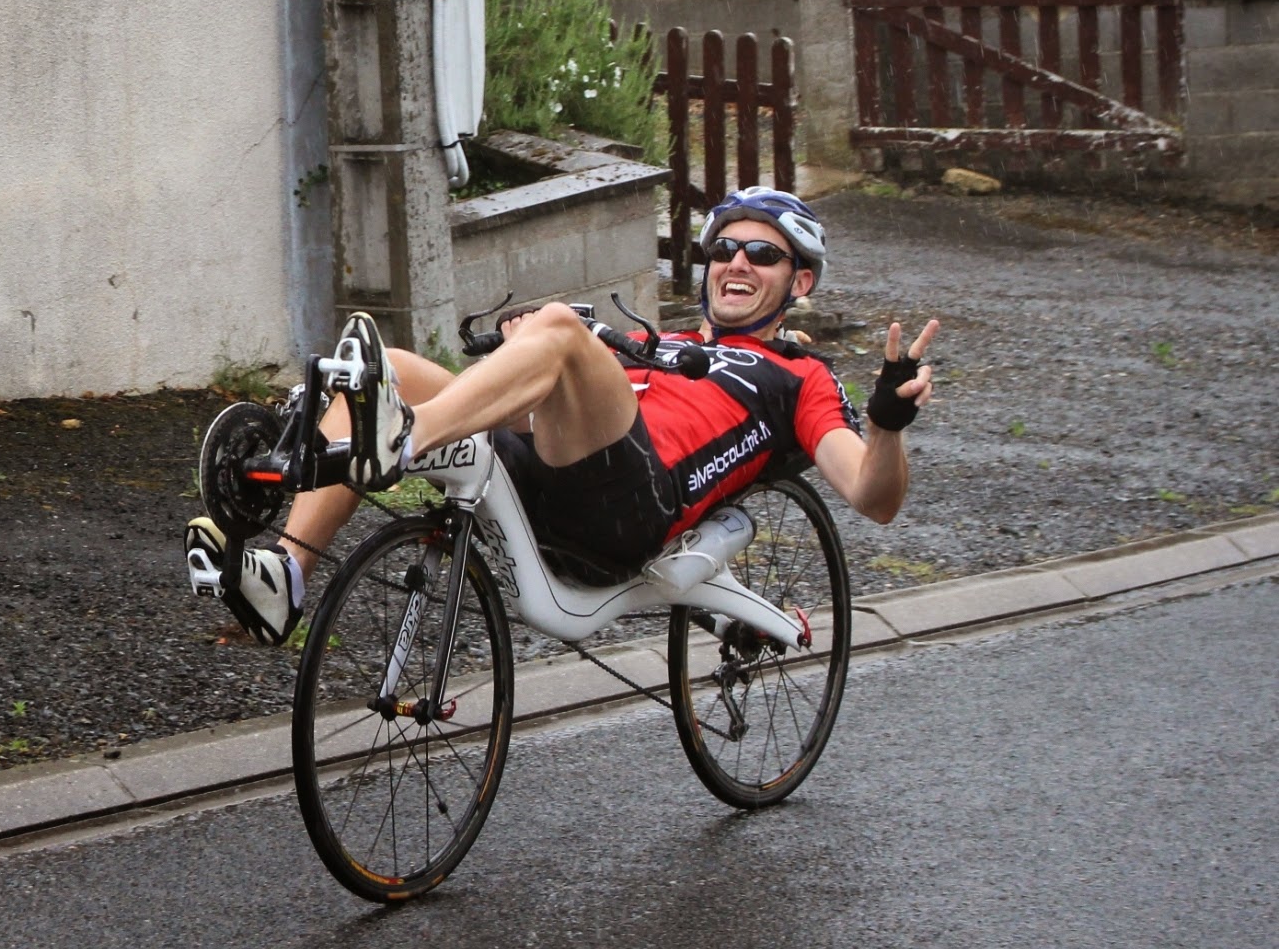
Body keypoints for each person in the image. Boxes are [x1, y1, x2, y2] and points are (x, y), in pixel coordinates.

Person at [186, 186, 939, 645]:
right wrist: (531, 359)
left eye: (762, 256)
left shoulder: (799, 376)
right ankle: (284, 572)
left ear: (798, 278)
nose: (736, 263)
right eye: (725, 250)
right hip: (558, 467)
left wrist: (887, 422)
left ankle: (403, 437)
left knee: (560, 328)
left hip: (636, 505)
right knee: (391, 364)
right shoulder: (664, 341)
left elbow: (872, 497)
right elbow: (565, 384)